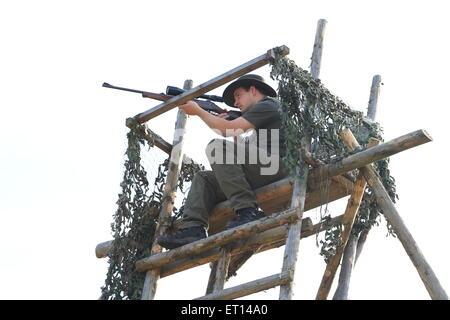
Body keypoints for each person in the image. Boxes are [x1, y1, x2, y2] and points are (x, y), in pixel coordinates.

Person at [157, 74, 288, 249]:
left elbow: (227, 131)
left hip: (277, 167)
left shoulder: (268, 105)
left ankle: (248, 210)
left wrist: (199, 111)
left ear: (254, 90)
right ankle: (193, 228)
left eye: (238, 95)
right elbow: (240, 146)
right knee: (203, 179)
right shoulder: (259, 122)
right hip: (264, 169)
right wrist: (229, 125)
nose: (235, 103)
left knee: (216, 147)